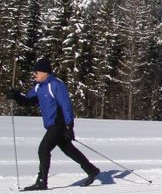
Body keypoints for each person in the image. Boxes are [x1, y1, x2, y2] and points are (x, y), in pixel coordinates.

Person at [5, 59, 99, 191]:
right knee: (68, 149)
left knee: (43, 149)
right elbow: (27, 101)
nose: (34, 75)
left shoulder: (55, 84)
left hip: (59, 123)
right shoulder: (39, 86)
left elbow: (66, 106)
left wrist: (69, 126)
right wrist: (15, 96)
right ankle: (92, 170)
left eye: (36, 72)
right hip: (51, 125)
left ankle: (42, 182)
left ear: (45, 72)